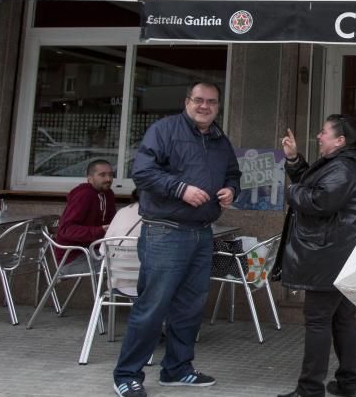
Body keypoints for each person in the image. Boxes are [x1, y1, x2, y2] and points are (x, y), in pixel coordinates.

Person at [112, 81, 240, 397]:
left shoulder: (220, 138)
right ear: (187, 102)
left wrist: (231, 189)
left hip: (201, 233)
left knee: (190, 307)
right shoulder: (164, 130)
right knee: (152, 306)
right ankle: (127, 374)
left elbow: (234, 173)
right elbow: (142, 172)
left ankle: (178, 369)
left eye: (211, 102)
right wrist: (180, 189)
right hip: (165, 231)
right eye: (199, 100)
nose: (205, 106)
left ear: (218, 106)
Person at [277, 115, 356, 397]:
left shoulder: (343, 168)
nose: (318, 136)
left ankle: (309, 389)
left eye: (323, 132)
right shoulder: (343, 165)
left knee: (318, 321)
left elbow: (318, 200)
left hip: (330, 258)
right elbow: (316, 186)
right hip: (342, 257)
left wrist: (291, 191)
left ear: (340, 140)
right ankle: (348, 385)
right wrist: (295, 159)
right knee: (344, 319)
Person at [55, 158, 117, 272]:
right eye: (102, 175)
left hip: (96, 250)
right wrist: (100, 231)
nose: (108, 179)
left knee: (132, 259)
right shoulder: (84, 195)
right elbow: (66, 230)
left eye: (111, 175)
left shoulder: (108, 194)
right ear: (90, 178)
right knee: (121, 266)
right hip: (73, 257)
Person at [104, 188, 143, 295]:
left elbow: (103, 250)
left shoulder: (122, 212)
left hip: (118, 283)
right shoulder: (163, 218)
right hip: (152, 286)